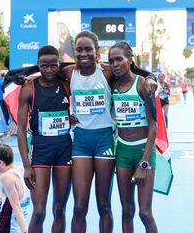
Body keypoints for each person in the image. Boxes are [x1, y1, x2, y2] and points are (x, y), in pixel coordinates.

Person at [62, 31, 156, 233]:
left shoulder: (107, 72)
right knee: (79, 207)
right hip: (80, 141)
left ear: (97, 52)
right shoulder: (69, 73)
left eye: (88, 49)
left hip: (105, 140)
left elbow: (134, 70)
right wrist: (64, 114)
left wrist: (152, 77)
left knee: (104, 204)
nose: (83, 53)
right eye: (79, 49)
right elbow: (47, 73)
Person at [17, 45, 72, 233]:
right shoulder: (28, 88)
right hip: (40, 152)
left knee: (60, 210)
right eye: (43, 66)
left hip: (64, 150)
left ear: (59, 65)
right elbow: (21, 129)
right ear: (37, 65)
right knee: (39, 212)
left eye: (53, 66)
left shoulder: (67, 83)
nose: (49, 70)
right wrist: (26, 165)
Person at [109, 41, 158, 233]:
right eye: (111, 61)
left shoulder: (142, 85)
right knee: (127, 210)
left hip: (143, 151)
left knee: (145, 213)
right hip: (122, 151)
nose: (114, 64)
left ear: (130, 60)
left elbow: (153, 126)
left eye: (119, 59)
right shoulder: (113, 84)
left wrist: (143, 163)